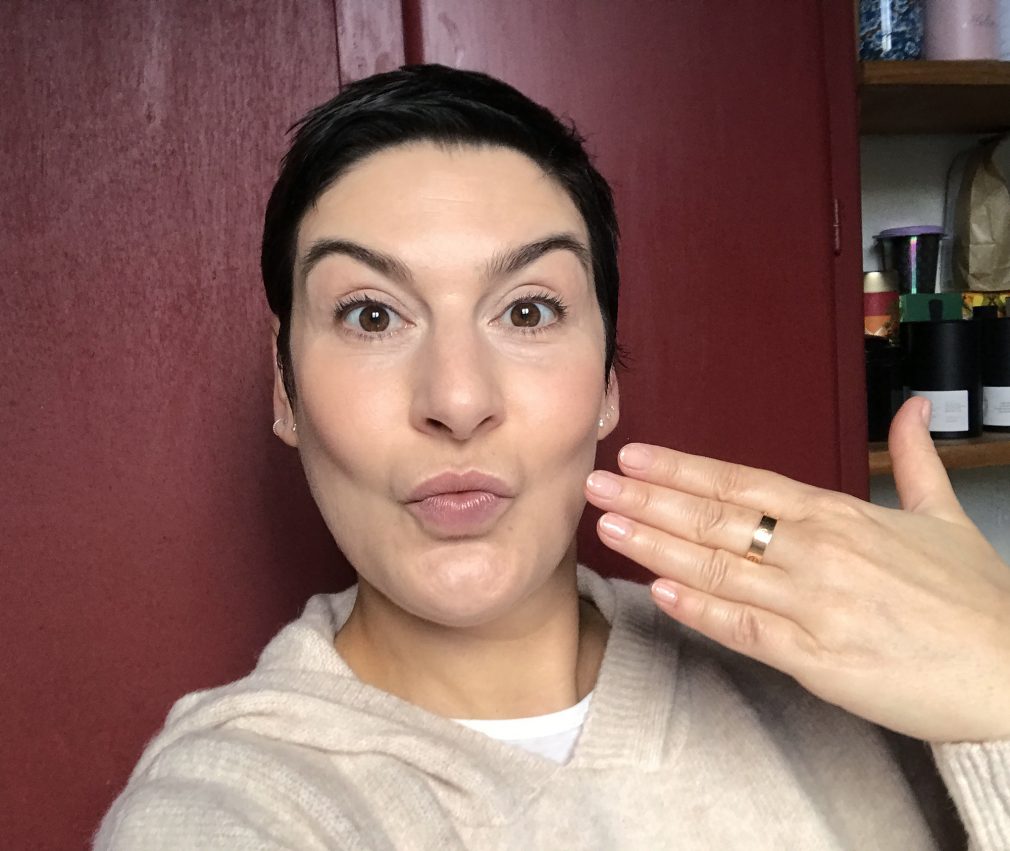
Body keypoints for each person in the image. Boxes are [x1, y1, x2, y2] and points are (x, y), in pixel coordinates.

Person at [95, 64, 1010, 849]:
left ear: (607, 381)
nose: (458, 401)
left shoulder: (835, 664)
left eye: (527, 310)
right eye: (372, 314)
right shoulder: (230, 807)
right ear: (285, 387)